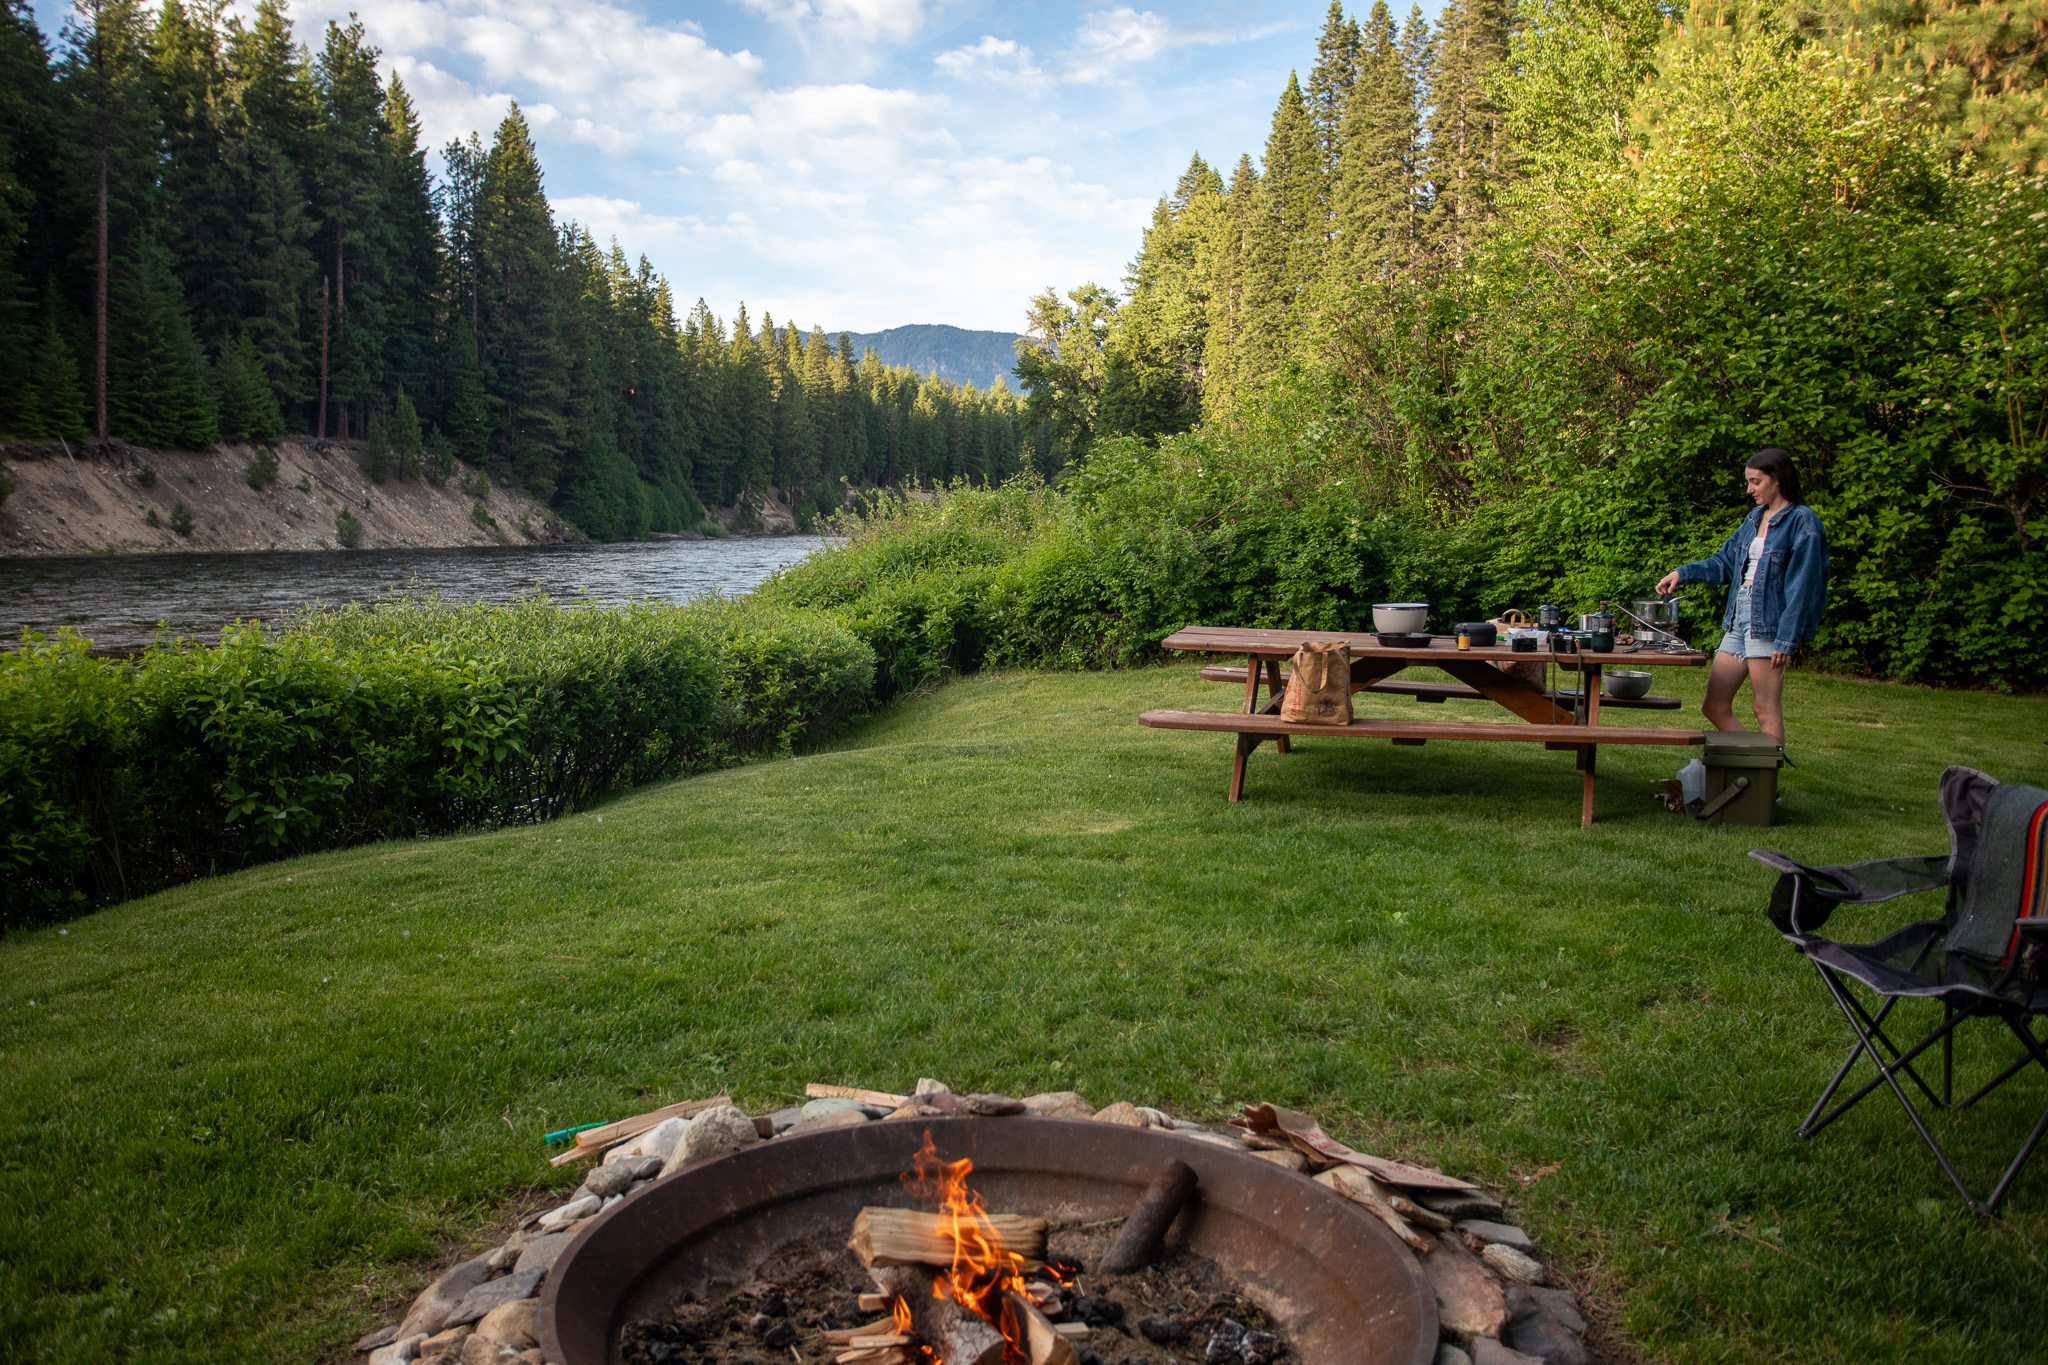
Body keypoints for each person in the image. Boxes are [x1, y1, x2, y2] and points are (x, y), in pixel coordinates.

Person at [1654, 447, 1827, 746]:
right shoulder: (1754, 518)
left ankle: (1764, 774)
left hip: (1769, 622)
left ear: (1777, 479)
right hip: (1738, 616)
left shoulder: (1803, 522)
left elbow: (1803, 586)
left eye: (1756, 482)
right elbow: (1724, 563)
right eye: (1748, 482)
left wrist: (1786, 639)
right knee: (1714, 705)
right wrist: (1683, 573)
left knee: (1764, 708)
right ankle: (1752, 762)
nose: (1749, 489)